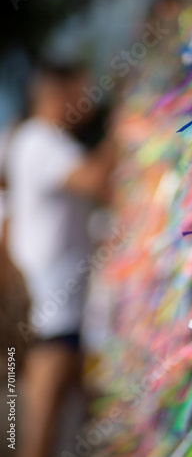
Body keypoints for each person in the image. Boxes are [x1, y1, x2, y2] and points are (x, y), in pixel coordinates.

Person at [5, 61, 114, 457]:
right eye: (82, 91)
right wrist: (123, 129)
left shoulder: (33, 141)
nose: (89, 101)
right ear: (58, 95)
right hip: (52, 311)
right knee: (40, 433)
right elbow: (96, 179)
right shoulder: (42, 141)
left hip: (57, 308)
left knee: (84, 419)